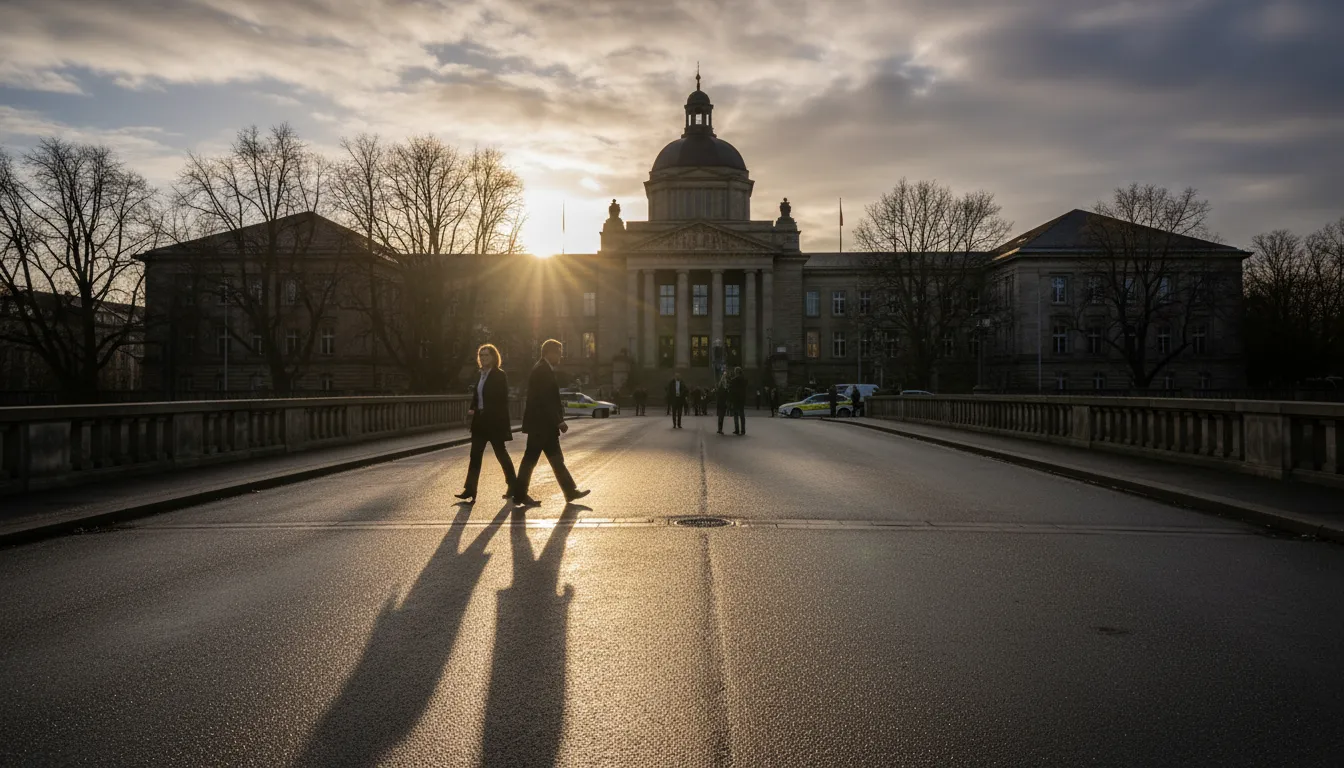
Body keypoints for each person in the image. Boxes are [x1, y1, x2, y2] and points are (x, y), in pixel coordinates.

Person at [513, 339, 589, 507]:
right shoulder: (542, 370)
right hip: (541, 425)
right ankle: (519, 495)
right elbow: (546, 400)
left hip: (543, 426)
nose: (560, 357)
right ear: (549, 353)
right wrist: (559, 421)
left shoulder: (542, 368)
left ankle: (569, 492)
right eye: (559, 353)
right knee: (531, 460)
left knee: (555, 460)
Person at [455, 343, 516, 503]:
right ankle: (470, 489)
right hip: (480, 421)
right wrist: (472, 410)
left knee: (501, 454)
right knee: (475, 455)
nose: (483, 358)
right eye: (481, 355)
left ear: (494, 357)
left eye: (486, 355)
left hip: (494, 422)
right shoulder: (480, 375)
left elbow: (502, 400)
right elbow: (477, 397)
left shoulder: (499, 375)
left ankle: (513, 485)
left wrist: (497, 419)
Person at [729, 366, 747, 435]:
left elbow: (731, 391)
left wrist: (730, 400)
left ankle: (737, 430)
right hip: (742, 399)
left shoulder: (733, 380)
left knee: (736, 415)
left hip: (735, 399)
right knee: (742, 415)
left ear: (736, 372)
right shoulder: (744, 380)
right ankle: (743, 430)